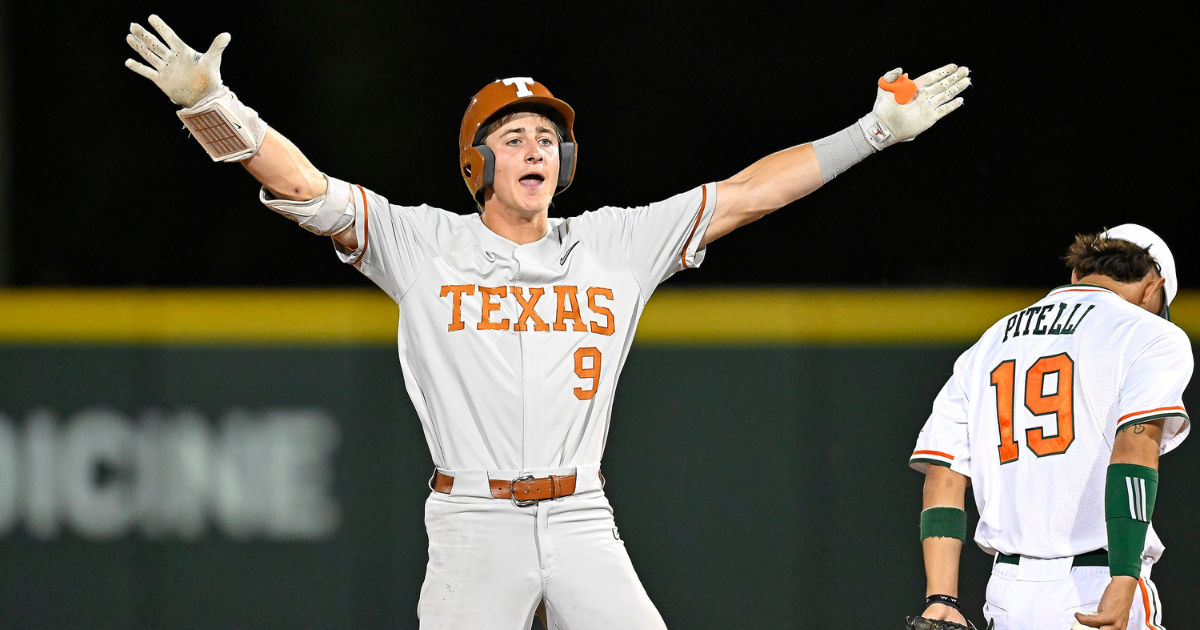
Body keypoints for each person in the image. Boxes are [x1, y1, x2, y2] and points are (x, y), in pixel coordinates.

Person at [124, 14, 970, 629]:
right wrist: (211, 105)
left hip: (580, 515)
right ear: (476, 161)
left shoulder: (615, 242)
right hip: (472, 520)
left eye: (547, 138)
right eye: (514, 135)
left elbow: (753, 192)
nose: (536, 149)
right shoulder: (424, 244)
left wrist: (872, 133)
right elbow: (304, 186)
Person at [908, 225, 1191, 630]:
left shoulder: (987, 343)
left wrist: (941, 597)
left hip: (1006, 594)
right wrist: (1124, 575)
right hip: (1097, 582)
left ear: (1077, 273)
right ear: (1152, 288)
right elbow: (1135, 449)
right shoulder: (1149, 333)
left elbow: (945, 472)